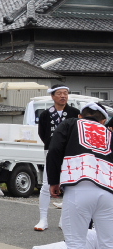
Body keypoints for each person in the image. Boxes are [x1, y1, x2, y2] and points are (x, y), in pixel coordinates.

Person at [47, 102, 113, 249]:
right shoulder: (108, 132)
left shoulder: (70, 123)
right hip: (108, 190)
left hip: (79, 186)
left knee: (76, 243)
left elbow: (54, 150)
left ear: (81, 116)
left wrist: (54, 180)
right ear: (103, 120)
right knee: (108, 246)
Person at [35, 84, 80, 231]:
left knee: (68, 185)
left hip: (70, 152)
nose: (63, 96)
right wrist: (53, 146)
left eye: (65, 93)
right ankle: (43, 219)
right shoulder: (45, 114)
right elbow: (42, 133)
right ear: (52, 96)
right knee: (46, 185)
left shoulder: (75, 112)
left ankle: (63, 220)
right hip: (51, 151)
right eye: (59, 93)